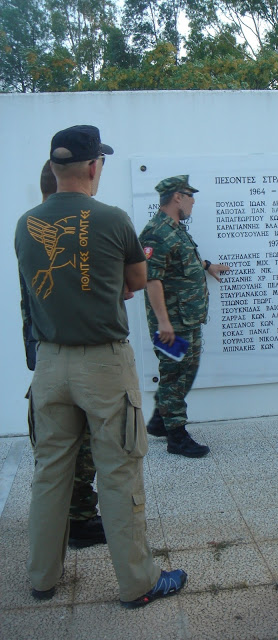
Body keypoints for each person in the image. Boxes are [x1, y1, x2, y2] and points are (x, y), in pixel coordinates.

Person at [15, 125, 186, 607]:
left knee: (50, 473)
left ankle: (42, 579)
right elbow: (135, 279)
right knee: (118, 471)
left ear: (53, 168)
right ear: (94, 167)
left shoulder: (25, 223)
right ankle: (138, 583)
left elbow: (35, 288)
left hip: (49, 365)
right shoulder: (112, 219)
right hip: (104, 364)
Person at [19, 160, 106, 548]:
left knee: (54, 455)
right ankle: (80, 521)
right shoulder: (66, 232)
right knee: (79, 449)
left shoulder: (26, 230)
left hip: (46, 359)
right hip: (74, 358)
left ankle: (65, 529)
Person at [139, 175, 229, 457]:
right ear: (177, 197)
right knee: (175, 374)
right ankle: (176, 437)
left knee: (185, 372)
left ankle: (159, 420)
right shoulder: (156, 232)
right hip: (172, 324)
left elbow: (181, 260)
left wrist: (207, 265)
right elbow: (151, 279)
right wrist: (164, 323)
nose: (193, 202)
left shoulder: (175, 229)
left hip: (188, 320)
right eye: (190, 197)